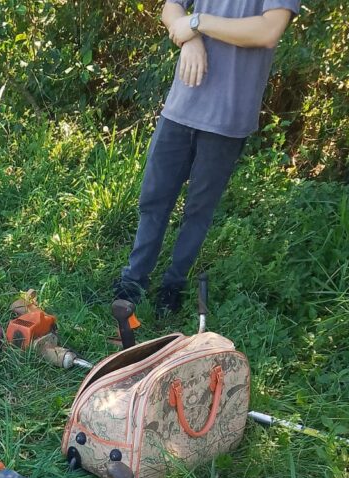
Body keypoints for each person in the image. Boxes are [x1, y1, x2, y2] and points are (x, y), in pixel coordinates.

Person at [115, 0, 300, 313]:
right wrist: (192, 36)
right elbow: (171, 9)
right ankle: (133, 281)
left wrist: (197, 22)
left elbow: (268, 30)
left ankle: (173, 286)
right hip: (181, 107)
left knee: (198, 211)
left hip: (228, 118)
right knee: (154, 200)